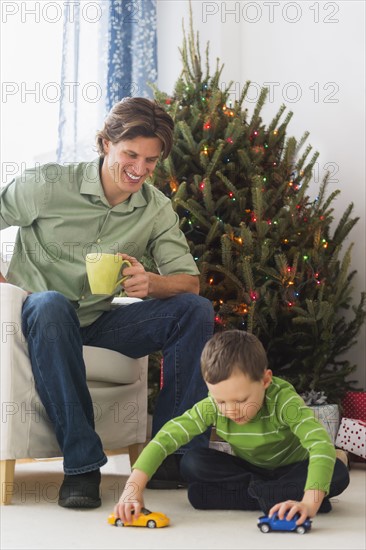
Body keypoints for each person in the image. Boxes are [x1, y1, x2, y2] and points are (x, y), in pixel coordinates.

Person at [0, 97, 214, 508]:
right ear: (105, 144)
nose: (139, 169)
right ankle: (81, 466)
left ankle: (175, 455)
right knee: (49, 304)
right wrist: (6, 288)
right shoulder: (46, 185)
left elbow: (190, 284)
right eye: (130, 154)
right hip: (38, 318)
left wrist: (152, 283)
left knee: (194, 311)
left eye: (151, 161)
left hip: (100, 321)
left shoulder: (154, 209)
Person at [115, 330, 349, 526]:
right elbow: (166, 437)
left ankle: (259, 495)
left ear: (265, 381)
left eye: (240, 400)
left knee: (337, 473)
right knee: (192, 462)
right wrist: (131, 490)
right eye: (221, 401)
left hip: (292, 469)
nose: (230, 410)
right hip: (247, 472)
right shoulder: (212, 406)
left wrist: (309, 503)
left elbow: (320, 445)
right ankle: (276, 495)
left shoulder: (284, 402)